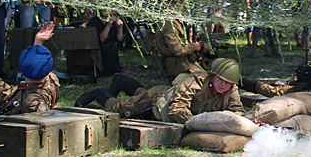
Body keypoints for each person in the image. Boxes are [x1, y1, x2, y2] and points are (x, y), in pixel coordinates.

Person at [74, 58, 244, 124]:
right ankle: (98, 92)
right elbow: (176, 108)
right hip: (159, 99)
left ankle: (122, 81)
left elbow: (238, 110)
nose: (223, 84)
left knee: (140, 94)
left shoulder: (231, 89)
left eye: (228, 82)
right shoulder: (197, 81)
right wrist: (197, 123)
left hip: (165, 98)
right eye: (221, 79)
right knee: (118, 109)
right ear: (213, 75)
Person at [86, 10, 124, 76]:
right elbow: (102, 39)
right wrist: (108, 25)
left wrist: (120, 27)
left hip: (111, 49)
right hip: (99, 49)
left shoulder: (113, 21)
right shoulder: (94, 22)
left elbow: (119, 38)